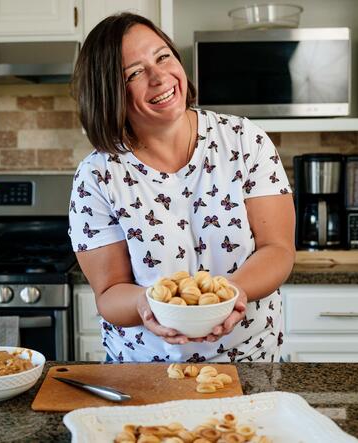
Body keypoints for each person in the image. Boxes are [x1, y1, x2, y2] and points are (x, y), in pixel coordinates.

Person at [68, 13, 295, 363]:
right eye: (134, 73)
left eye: (163, 57)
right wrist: (145, 304)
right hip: (146, 372)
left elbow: (277, 248)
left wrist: (232, 293)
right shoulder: (97, 177)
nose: (160, 78)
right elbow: (110, 292)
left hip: (251, 361)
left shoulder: (245, 141)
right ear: (108, 92)